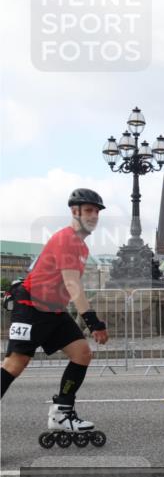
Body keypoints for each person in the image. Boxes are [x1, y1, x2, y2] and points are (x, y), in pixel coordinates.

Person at [1, 189, 110, 448]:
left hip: (54, 310)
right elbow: (73, 284)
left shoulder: (80, 245)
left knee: (82, 353)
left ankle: (62, 414)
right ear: (75, 211)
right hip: (32, 308)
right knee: (15, 365)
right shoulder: (67, 239)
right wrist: (94, 322)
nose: (94, 216)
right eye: (88, 211)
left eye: (97, 211)